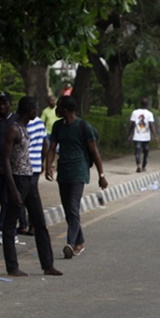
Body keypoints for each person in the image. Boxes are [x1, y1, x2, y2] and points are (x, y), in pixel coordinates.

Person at [1, 97, 62, 277]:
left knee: (39, 222)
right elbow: (6, 160)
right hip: (18, 179)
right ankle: (12, 266)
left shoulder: (25, 127)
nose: (37, 112)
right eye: (35, 109)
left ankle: (48, 264)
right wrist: (13, 189)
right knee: (10, 224)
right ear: (30, 111)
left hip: (29, 179)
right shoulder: (14, 129)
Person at [44, 97, 108, 259]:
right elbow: (52, 148)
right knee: (68, 210)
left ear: (66, 110)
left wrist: (101, 175)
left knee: (73, 207)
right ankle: (80, 241)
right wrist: (48, 166)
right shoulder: (58, 126)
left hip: (79, 171)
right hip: (64, 172)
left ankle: (70, 244)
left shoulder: (83, 126)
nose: (56, 110)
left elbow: (94, 152)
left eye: (59, 107)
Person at [0, 92, 27, 244]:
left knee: (8, 198)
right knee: (4, 200)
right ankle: (11, 231)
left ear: (10, 104)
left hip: (13, 167)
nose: (2, 106)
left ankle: (1, 230)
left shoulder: (17, 120)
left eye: (5, 103)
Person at [22, 107, 48, 236]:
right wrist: (42, 160)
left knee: (24, 195)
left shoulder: (24, 124)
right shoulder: (40, 123)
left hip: (24, 165)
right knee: (32, 196)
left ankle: (26, 224)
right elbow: (45, 143)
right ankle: (31, 224)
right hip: (36, 164)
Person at [128, 99, 156, 173]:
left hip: (137, 136)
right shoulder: (149, 114)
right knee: (146, 151)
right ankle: (143, 166)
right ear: (147, 105)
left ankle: (139, 165)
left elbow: (132, 124)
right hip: (146, 136)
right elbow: (151, 125)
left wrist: (129, 134)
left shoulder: (135, 112)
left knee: (137, 151)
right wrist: (155, 136)